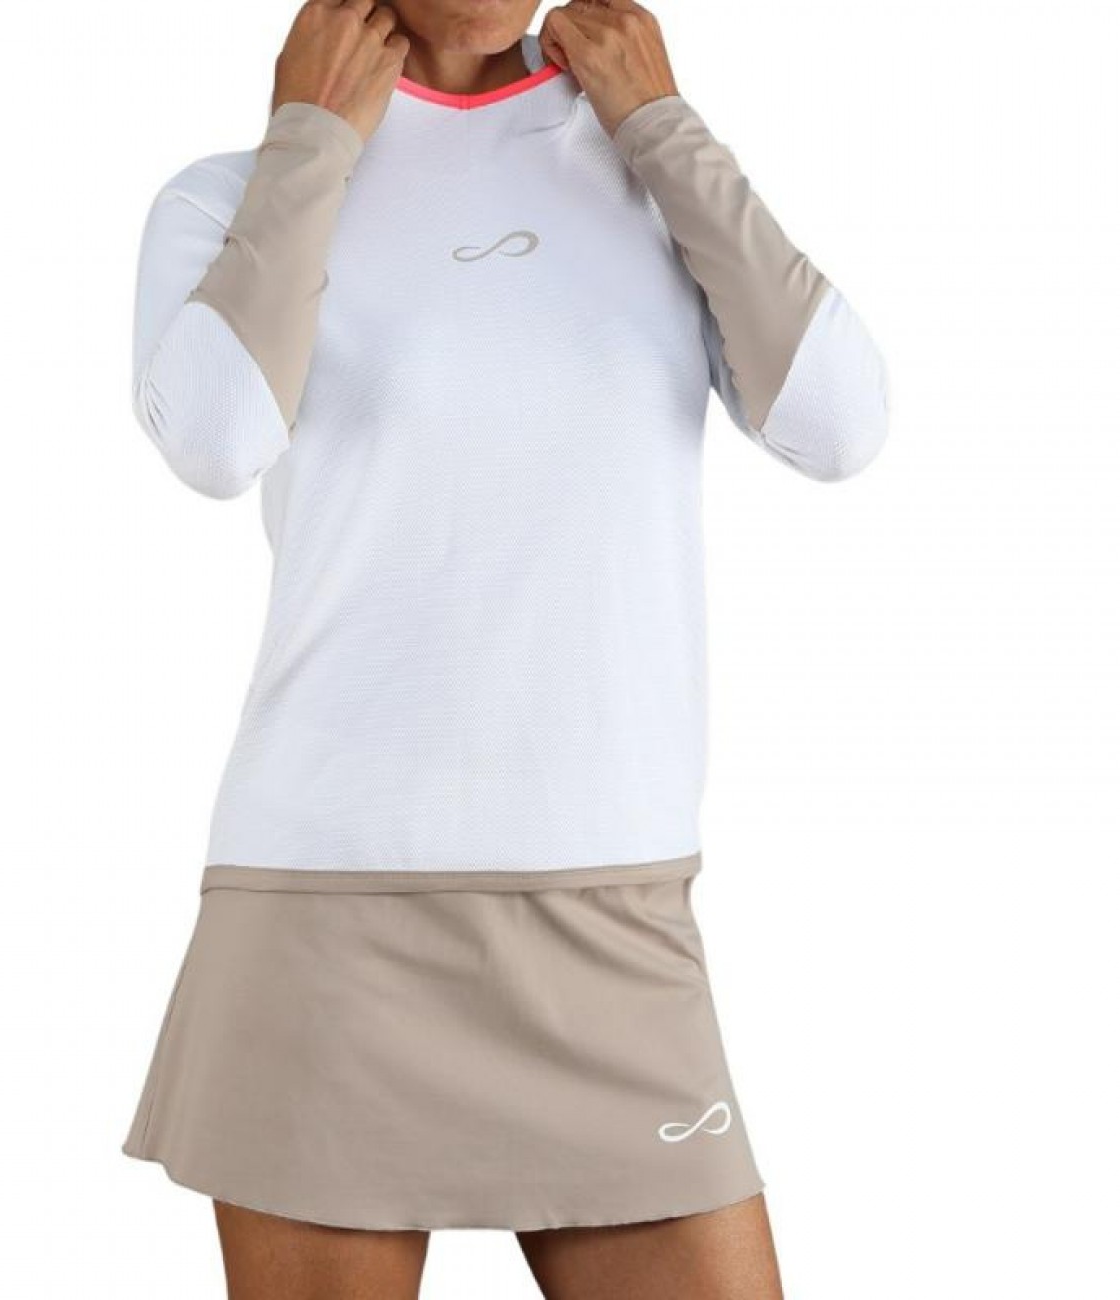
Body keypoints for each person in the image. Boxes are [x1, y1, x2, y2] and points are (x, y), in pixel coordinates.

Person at [120, 1, 889, 1295]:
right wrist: (310, 142)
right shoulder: (233, 192)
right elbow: (212, 440)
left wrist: (663, 126)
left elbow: (840, 423)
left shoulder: (649, 172)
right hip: (328, 923)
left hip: (613, 926)